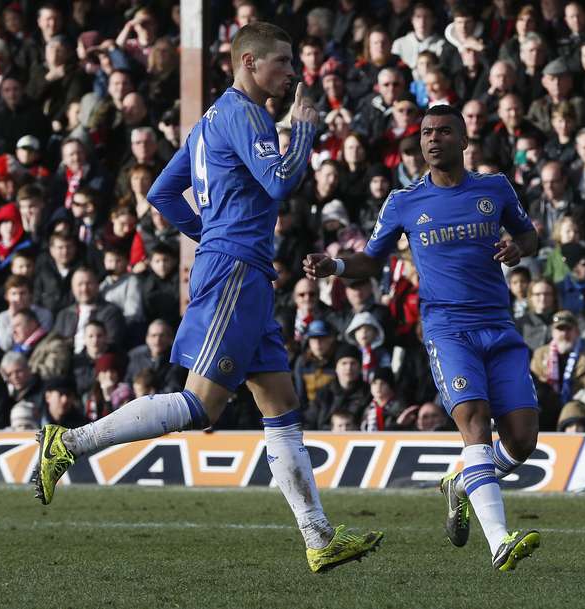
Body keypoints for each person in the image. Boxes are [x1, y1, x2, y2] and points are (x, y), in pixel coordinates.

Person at [32, 22, 382, 573]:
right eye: (283, 62)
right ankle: (68, 443)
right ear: (250, 62)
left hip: (244, 271)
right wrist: (306, 132)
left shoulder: (211, 120)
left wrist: (212, 231)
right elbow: (278, 183)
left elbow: (162, 194)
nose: (292, 73)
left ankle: (319, 537)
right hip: (235, 271)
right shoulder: (248, 114)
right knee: (200, 406)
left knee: (281, 409)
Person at [304, 104, 541, 571]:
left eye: (444, 132)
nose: (433, 139)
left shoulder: (494, 189)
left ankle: (460, 483)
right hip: (447, 329)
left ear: (464, 139)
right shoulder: (403, 202)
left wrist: (518, 247)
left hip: (499, 325)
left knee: (522, 441)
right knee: (475, 420)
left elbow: (530, 236)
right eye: (427, 133)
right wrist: (334, 266)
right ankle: (499, 542)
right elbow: (371, 260)